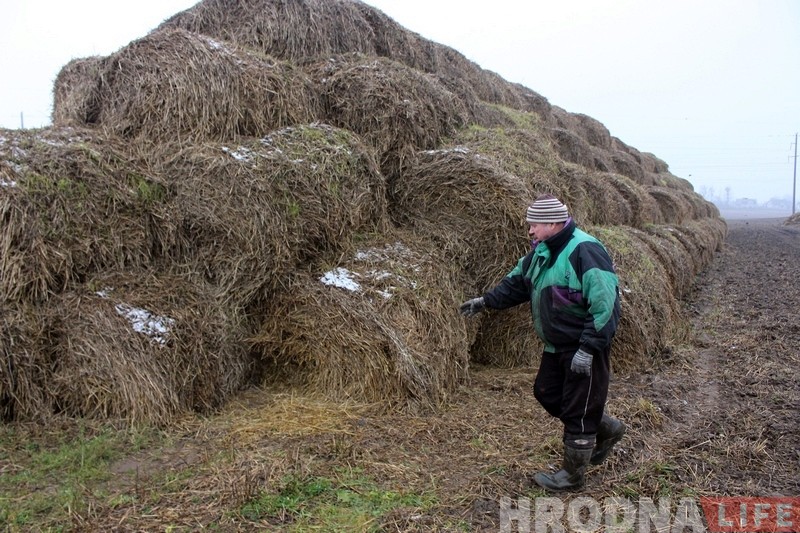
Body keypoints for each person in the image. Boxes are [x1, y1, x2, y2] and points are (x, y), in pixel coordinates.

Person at [459, 193, 625, 492]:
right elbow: (517, 283)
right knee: (546, 392)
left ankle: (572, 477)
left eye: (534, 225)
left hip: (582, 346)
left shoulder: (584, 250)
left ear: (552, 222)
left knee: (578, 410)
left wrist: (588, 349)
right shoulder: (542, 252)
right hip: (556, 346)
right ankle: (605, 427)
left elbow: (606, 303)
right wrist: (486, 301)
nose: (530, 231)